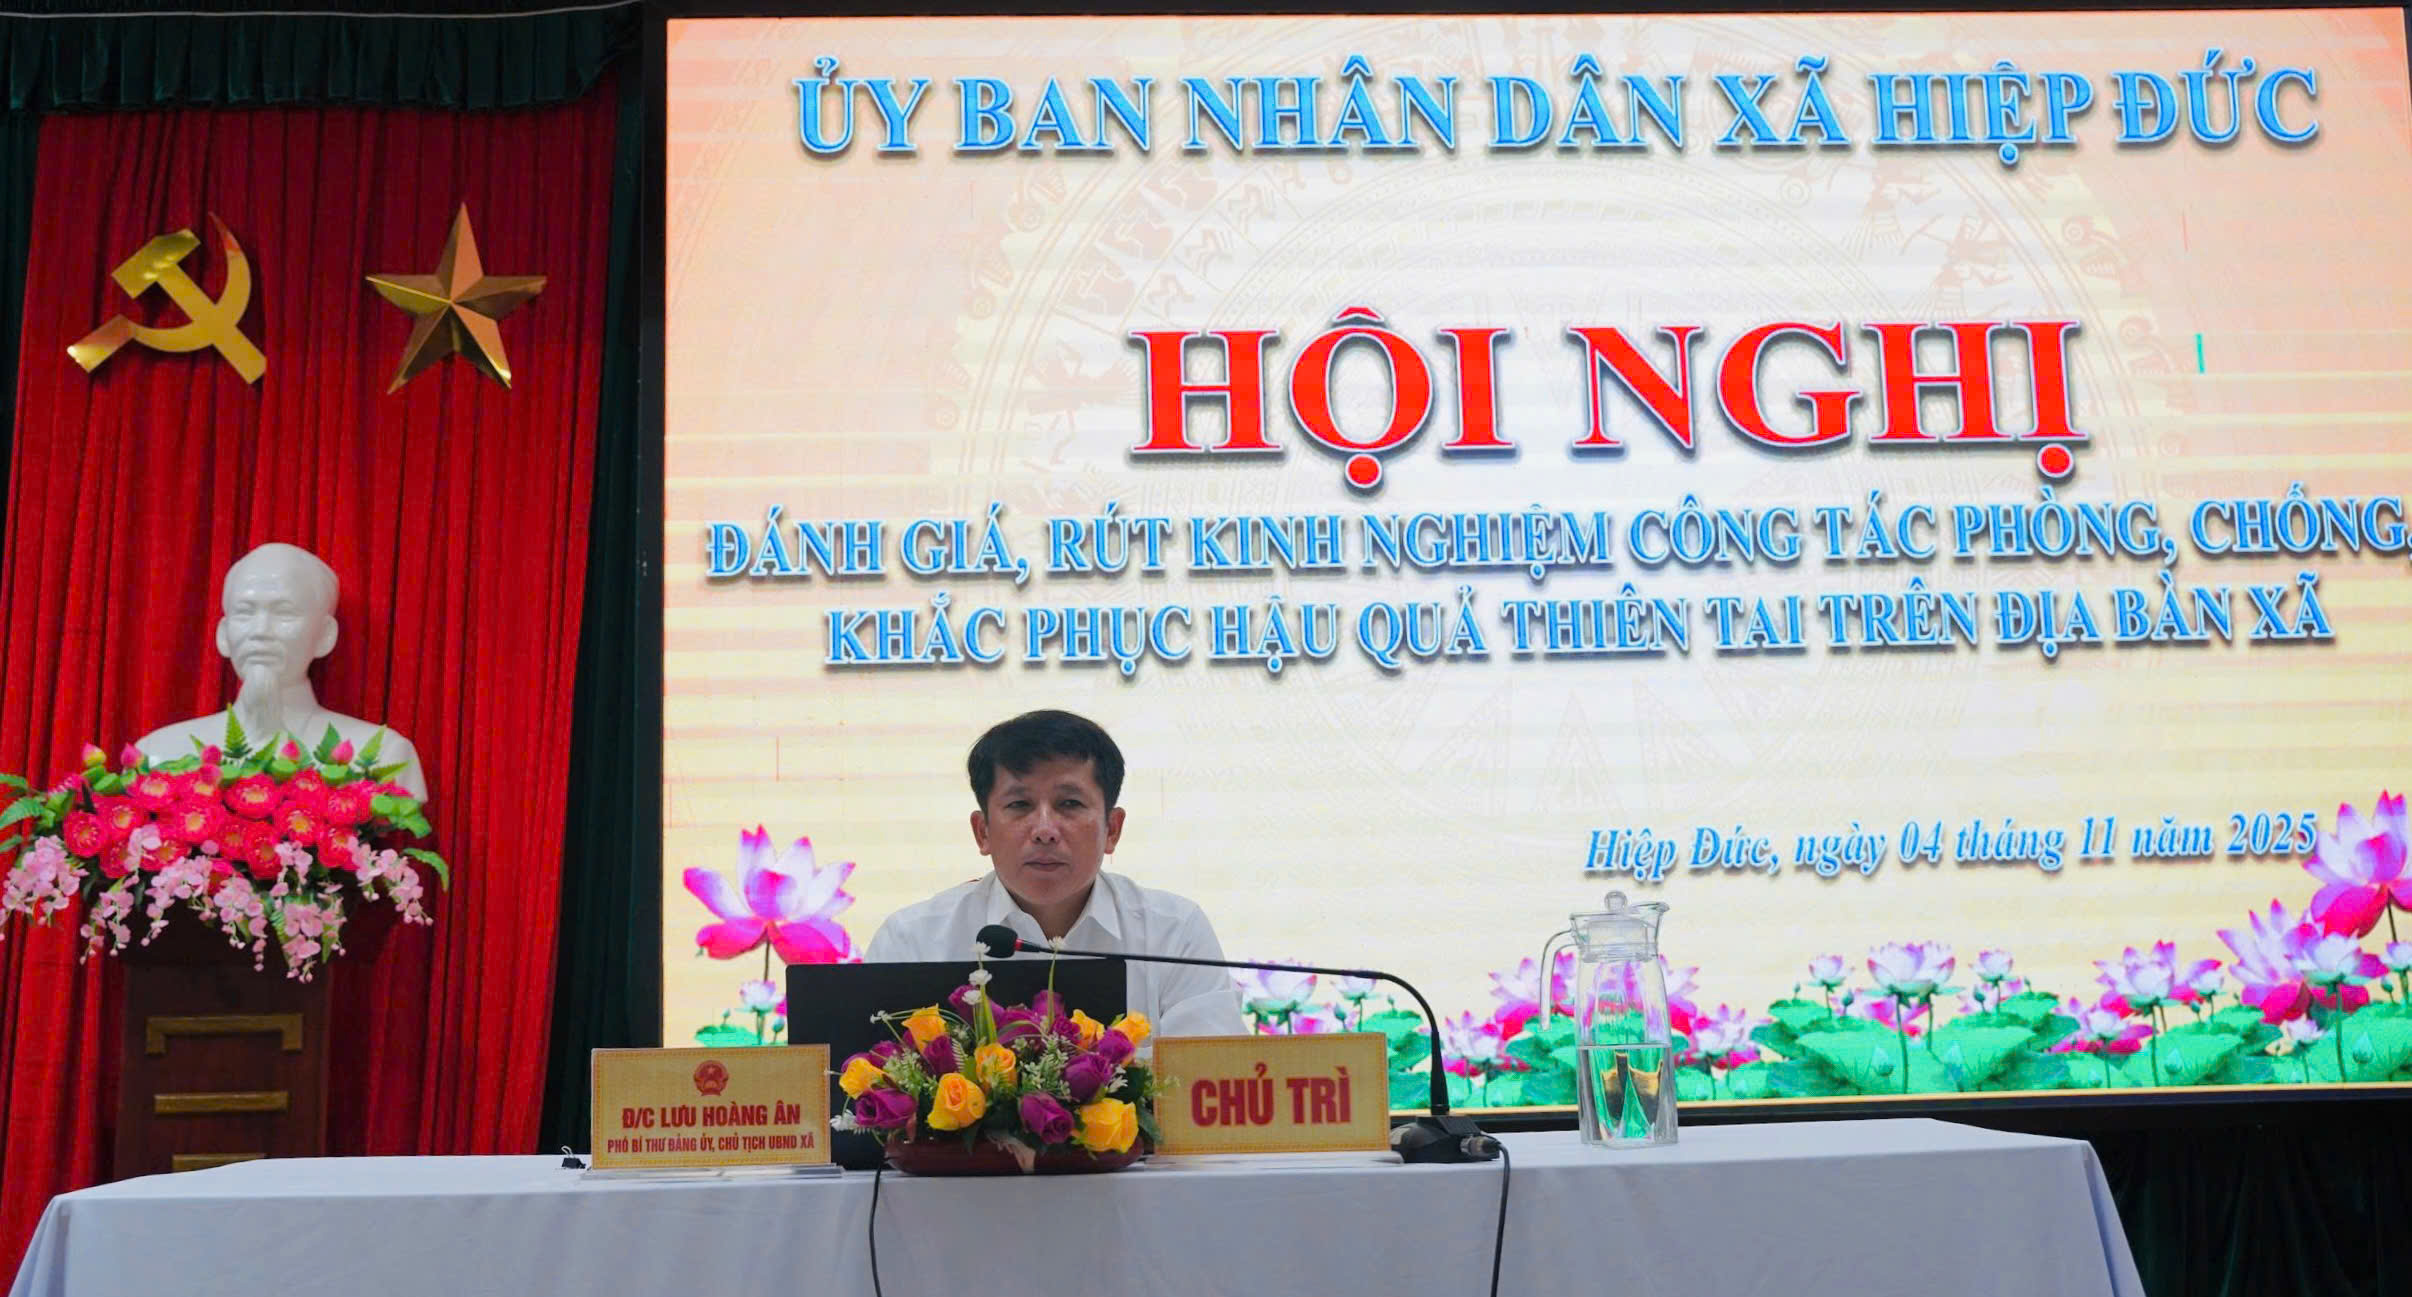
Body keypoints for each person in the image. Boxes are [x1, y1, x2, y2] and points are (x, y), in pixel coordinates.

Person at [865, 709, 1246, 1037]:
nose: (1045, 829)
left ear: (1112, 829)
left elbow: (1211, 1081)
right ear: (983, 832)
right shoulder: (912, 941)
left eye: (1069, 803)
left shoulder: (1173, 934)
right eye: (1019, 804)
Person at [135, 543, 428, 799]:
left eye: (284, 613)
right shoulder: (158, 752)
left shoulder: (384, 755)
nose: (260, 631)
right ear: (223, 634)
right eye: (245, 612)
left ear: (325, 635)